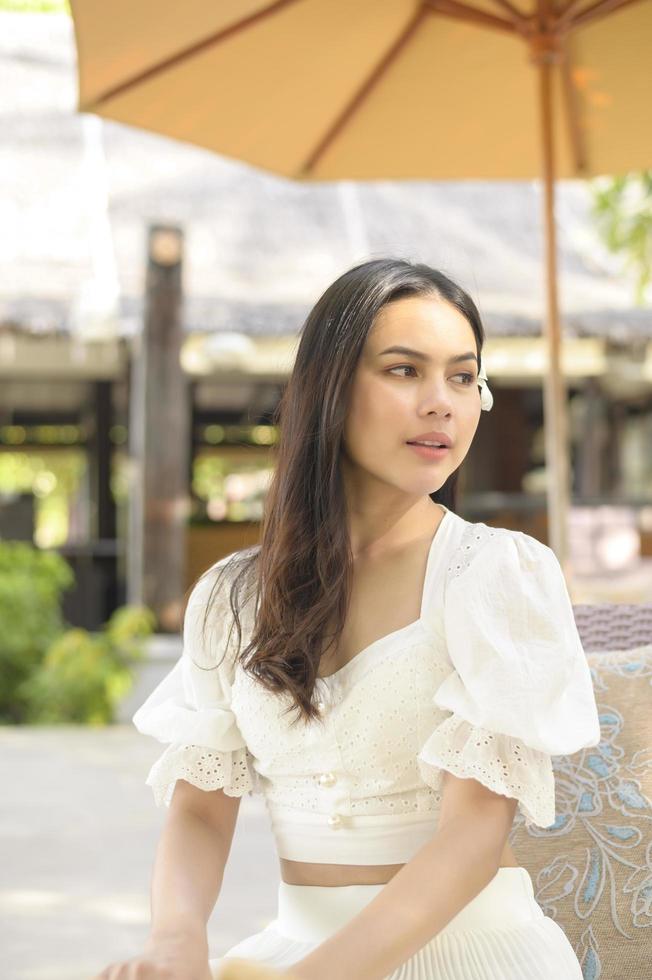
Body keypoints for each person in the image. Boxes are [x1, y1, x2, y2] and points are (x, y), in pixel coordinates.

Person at [95, 259, 600, 980]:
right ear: (328, 389)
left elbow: (472, 837)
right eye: (404, 371)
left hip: (468, 955)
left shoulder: (494, 574)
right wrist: (176, 942)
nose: (442, 404)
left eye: (462, 377)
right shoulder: (233, 596)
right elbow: (202, 808)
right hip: (293, 949)